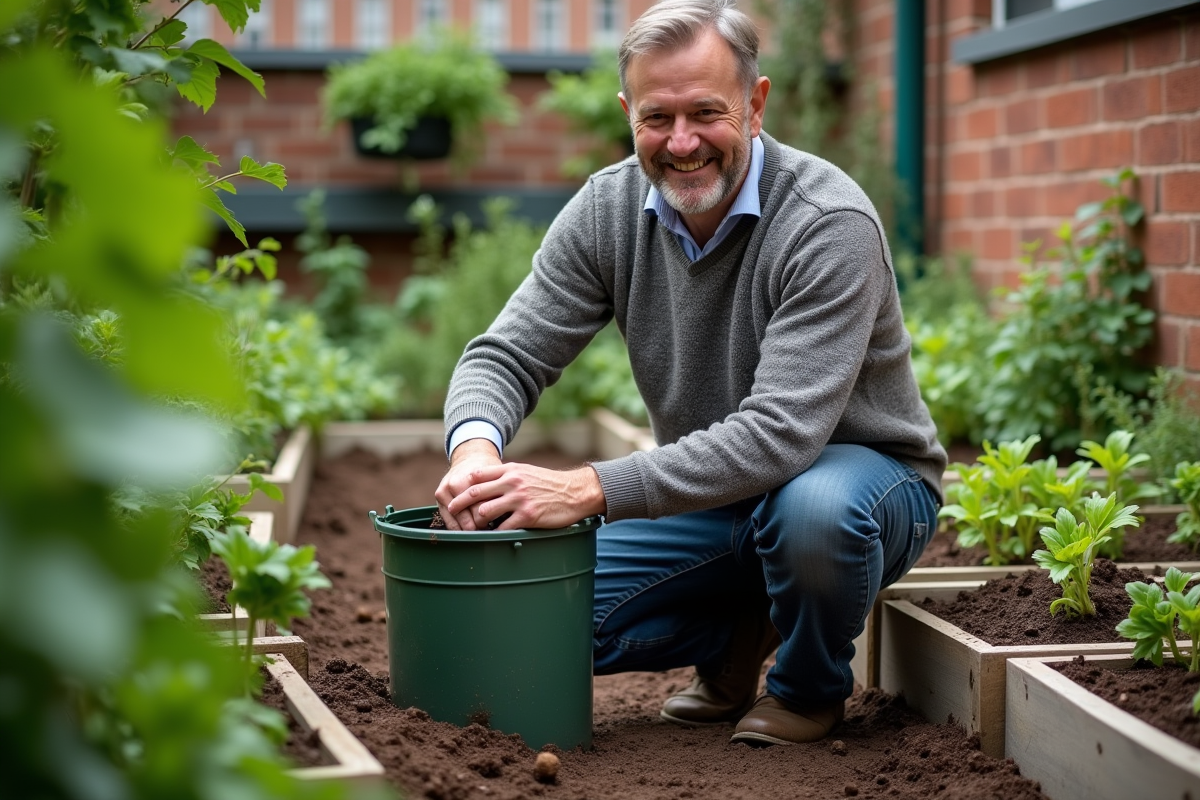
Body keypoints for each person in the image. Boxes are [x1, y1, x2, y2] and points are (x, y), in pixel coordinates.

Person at [433, 0, 946, 746]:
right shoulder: (606, 212)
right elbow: (504, 355)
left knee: (810, 513)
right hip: (714, 497)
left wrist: (588, 489)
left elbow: (779, 437)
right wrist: (474, 451)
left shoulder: (826, 221)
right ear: (627, 113)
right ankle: (741, 630)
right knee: (528, 615)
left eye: (707, 112)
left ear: (756, 103)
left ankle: (807, 689)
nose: (681, 142)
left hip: (860, 483)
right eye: (656, 117)